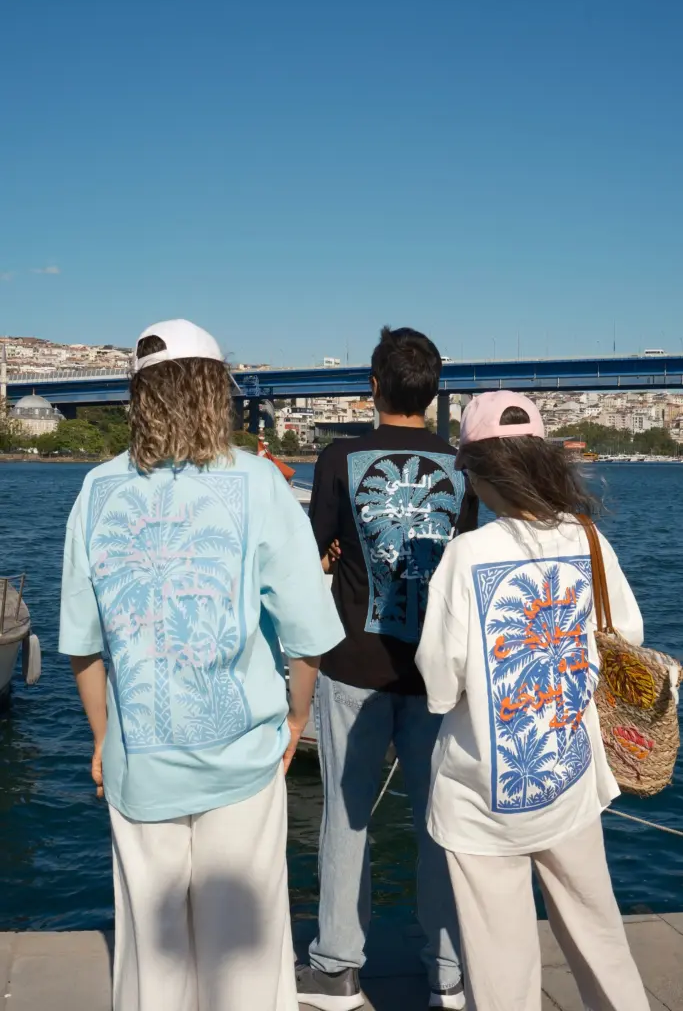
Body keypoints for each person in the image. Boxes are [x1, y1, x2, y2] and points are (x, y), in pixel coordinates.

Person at [59, 320, 344, 1011]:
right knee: (246, 960)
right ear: (217, 390)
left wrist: (102, 737)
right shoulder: (258, 482)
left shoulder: (97, 489)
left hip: (139, 761)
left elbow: (83, 645)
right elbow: (306, 632)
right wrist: (296, 717)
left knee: (152, 962)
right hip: (241, 756)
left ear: (138, 396)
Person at [416, 391, 650, 1011]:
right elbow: (626, 636)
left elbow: (440, 683)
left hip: (483, 796)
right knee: (600, 937)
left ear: (481, 472)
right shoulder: (587, 537)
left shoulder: (467, 554)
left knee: (501, 965)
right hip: (569, 777)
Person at [296, 327, 478, 1011]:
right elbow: (462, 563)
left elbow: (311, 554)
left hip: (352, 667)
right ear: (432, 393)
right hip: (435, 673)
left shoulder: (338, 458)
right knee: (440, 825)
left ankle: (338, 969)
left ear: (372, 386)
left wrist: (334, 552)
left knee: (345, 822)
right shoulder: (462, 466)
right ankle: (447, 975)